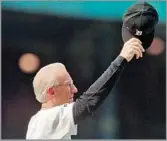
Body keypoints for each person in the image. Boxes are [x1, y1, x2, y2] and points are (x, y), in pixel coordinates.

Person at [26, 37, 145, 139]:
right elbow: (88, 102)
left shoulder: (37, 121)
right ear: (52, 92)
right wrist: (122, 59)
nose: (75, 89)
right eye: (69, 85)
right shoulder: (49, 119)